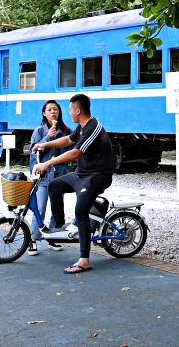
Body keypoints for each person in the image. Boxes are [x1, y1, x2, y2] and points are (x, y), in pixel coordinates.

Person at [34, 93, 113, 274]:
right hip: (81, 174)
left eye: (69, 110)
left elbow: (75, 153)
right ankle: (60, 228)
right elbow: (69, 140)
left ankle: (84, 259)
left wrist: (47, 163)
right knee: (54, 186)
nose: (68, 113)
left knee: (80, 211)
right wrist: (45, 145)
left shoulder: (93, 128)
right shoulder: (81, 127)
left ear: (78, 110)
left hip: (96, 177)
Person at [26, 99, 72, 256]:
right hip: (43, 177)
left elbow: (73, 150)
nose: (53, 112)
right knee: (39, 209)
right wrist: (47, 138)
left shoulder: (66, 131)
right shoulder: (39, 131)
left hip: (60, 176)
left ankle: (53, 238)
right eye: (50, 110)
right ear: (44, 113)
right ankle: (33, 240)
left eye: (56, 109)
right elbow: (34, 153)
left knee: (56, 209)